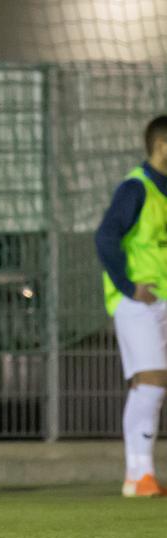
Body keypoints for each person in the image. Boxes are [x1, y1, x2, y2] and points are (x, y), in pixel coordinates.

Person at [96, 114, 167, 498]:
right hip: (138, 303)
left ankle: (143, 474)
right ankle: (137, 474)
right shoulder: (135, 188)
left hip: (164, 301)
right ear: (161, 145)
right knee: (150, 383)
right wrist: (128, 286)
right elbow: (105, 237)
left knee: (154, 385)